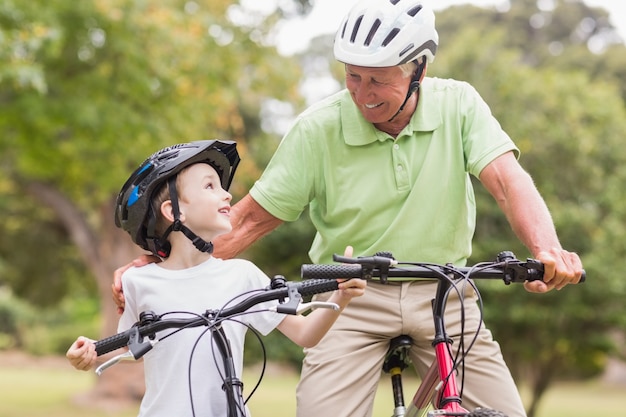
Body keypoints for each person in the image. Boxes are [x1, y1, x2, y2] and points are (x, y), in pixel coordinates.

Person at [112, 1, 584, 416]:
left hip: (445, 287)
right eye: (352, 76)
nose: (363, 94)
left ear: (418, 68)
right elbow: (251, 220)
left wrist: (548, 249)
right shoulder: (318, 128)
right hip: (351, 294)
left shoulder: (458, 105)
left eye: (379, 79)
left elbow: (506, 181)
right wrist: (165, 265)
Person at [67, 140, 365, 417]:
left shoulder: (242, 276)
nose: (227, 194)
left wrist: (342, 296)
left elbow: (306, 334)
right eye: (210, 186)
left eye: (222, 186)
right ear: (174, 211)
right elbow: (129, 348)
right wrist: (91, 352)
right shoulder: (139, 282)